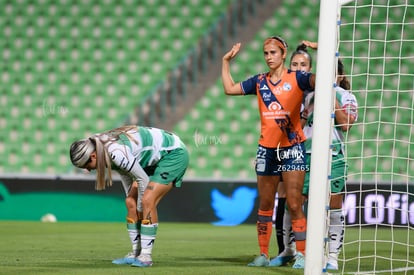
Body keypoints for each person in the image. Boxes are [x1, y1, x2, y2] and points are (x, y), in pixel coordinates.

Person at [221, 36, 316, 269]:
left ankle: (302, 255)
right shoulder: (259, 81)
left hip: (292, 149)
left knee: (294, 204)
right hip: (267, 150)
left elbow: (326, 80)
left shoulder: (299, 78)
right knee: (265, 204)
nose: (269, 57)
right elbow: (230, 89)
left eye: (273, 52)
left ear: (284, 55)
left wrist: (323, 50)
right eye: (265, 53)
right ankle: (263, 253)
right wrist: (225, 62)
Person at [69, 125, 189, 267]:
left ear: (93, 156)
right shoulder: (101, 149)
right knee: (130, 202)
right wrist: (133, 201)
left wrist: (140, 207)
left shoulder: (114, 151)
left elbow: (142, 180)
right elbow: (126, 174)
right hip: (150, 161)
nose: (88, 170)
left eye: (86, 165)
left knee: (147, 201)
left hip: (173, 154)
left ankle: (146, 255)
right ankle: (135, 253)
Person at [270, 42, 314, 267]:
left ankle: (308, 251)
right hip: (286, 148)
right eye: (295, 64)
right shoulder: (286, 88)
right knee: (284, 197)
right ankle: (286, 249)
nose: (298, 68)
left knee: (303, 202)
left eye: (303, 64)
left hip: (312, 152)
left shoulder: (316, 92)